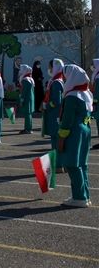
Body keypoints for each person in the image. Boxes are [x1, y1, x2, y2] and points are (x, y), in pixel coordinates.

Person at [58, 64, 92, 208]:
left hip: (74, 132)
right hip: (85, 130)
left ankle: (79, 198)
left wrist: (61, 137)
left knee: (72, 164)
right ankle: (84, 195)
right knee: (82, 165)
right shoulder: (86, 94)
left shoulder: (72, 96)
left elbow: (67, 120)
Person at [43, 58, 65, 170]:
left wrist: (47, 105)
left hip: (55, 115)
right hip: (56, 114)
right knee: (57, 140)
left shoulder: (56, 83)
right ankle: (60, 164)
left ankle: (58, 165)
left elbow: (56, 101)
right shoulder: (56, 80)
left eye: (50, 66)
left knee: (56, 141)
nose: (49, 69)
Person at [18, 64, 35, 134]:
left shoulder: (25, 80)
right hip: (31, 98)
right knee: (29, 114)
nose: (20, 71)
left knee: (27, 114)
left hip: (27, 98)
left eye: (21, 69)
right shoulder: (30, 79)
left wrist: (21, 100)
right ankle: (29, 128)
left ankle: (27, 129)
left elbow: (23, 92)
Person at [91, 59, 99, 150]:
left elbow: (96, 92)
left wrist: (94, 102)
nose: (92, 66)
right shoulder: (96, 75)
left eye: (93, 65)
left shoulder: (97, 78)